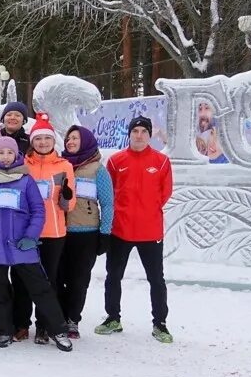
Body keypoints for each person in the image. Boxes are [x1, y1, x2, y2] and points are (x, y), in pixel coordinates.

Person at [0, 137, 72, 350]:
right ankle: (2, 330)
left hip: (21, 243)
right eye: (1, 153)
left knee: (40, 287)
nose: (6, 157)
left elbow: (38, 210)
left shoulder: (26, 179)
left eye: (10, 153)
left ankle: (58, 329)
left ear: (16, 154)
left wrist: (31, 235)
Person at [98, 116, 173, 343]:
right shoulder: (116, 161)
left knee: (156, 279)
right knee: (113, 276)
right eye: (135, 131)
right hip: (120, 230)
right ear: (129, 134)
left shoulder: (161, 161)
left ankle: (160, 323)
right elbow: (108, 192)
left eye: (143, 131)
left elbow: (165, 192)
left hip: (150, 232)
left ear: (149, 135)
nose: (139, 135)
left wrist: (147, 210)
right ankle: (113, 318)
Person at [12, 113, 76, 343]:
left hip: (53, 231)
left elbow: (70, 204)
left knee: (49, 280)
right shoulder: (22, 164)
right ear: (32, 141)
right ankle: (21, 323)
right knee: (20, 279)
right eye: (38, 139)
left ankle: (44, 325)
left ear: (53, 142)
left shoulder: (64, 166)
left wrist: (67, 197)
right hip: (24, 231)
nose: (42, 143)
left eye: (47, 139)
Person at [58, 125, 114, 338]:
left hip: (86, 233)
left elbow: (107, 203)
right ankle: (59, 316)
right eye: (68, 138)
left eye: (75, 138)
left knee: (79, 279)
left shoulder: (97, 169)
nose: (70, 142)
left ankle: (73, 319)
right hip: (60, 232)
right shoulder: (61, 166)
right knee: (57, 277)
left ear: (87, 141)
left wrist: (105, 233)